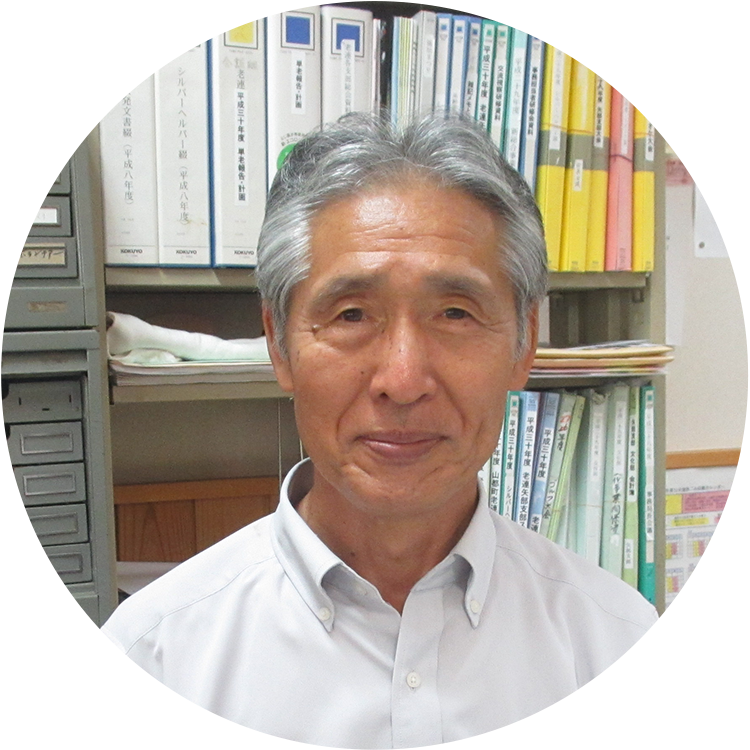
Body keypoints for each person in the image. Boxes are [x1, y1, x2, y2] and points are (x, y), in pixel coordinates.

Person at [52, 114, 702, 749]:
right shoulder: (152, 660)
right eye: (352, 314)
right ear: (278, 344)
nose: (403, 379)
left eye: (455, 313)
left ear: (524, 343)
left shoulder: (617, 648)